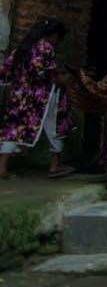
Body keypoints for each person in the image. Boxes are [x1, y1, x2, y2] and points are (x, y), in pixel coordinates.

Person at [0, 19, 74, 180]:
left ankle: (2, 167)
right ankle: (55, 165)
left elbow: (8, 67)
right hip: (42, 95)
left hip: (20, 93)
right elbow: (46, 69)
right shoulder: (45, 47)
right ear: (55, 35)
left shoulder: (24, 47)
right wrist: (63, 80)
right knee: (55, 125)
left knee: (14, 126)